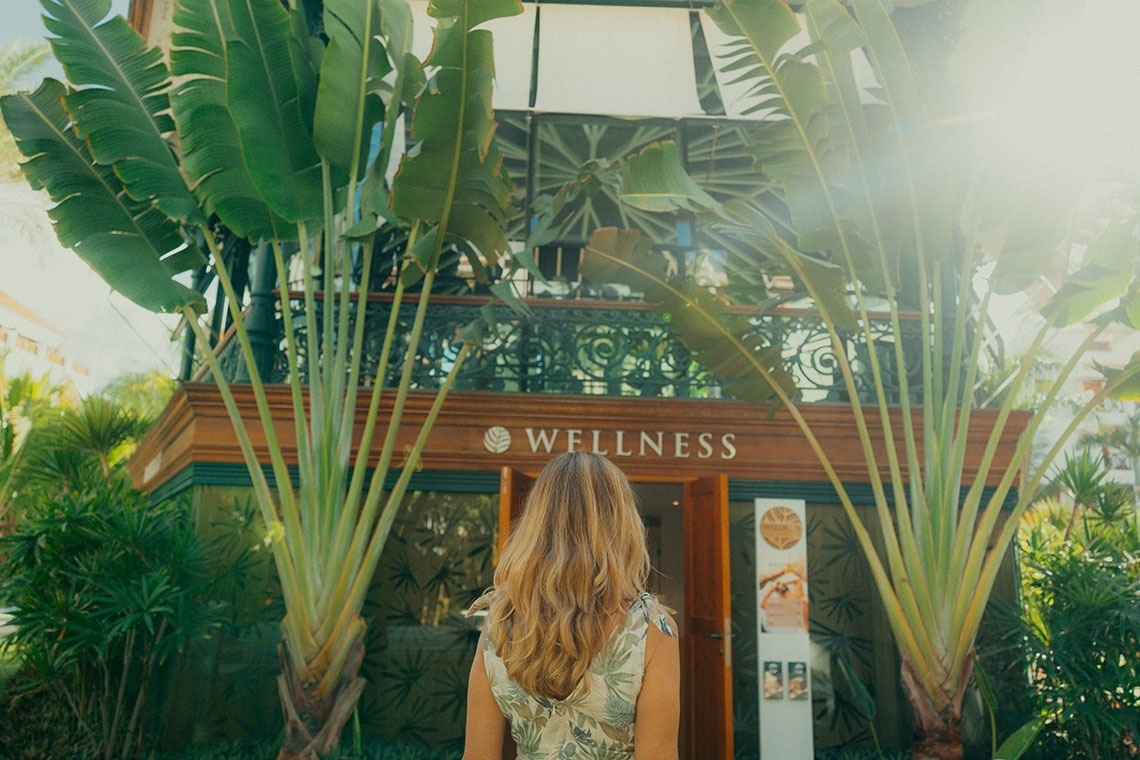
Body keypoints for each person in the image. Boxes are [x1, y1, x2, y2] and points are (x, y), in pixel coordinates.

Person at [462, 452, 680, 759]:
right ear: (621, 523)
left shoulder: (501, 619)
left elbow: (477, 756)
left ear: (537, 522)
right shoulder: (652, 628)